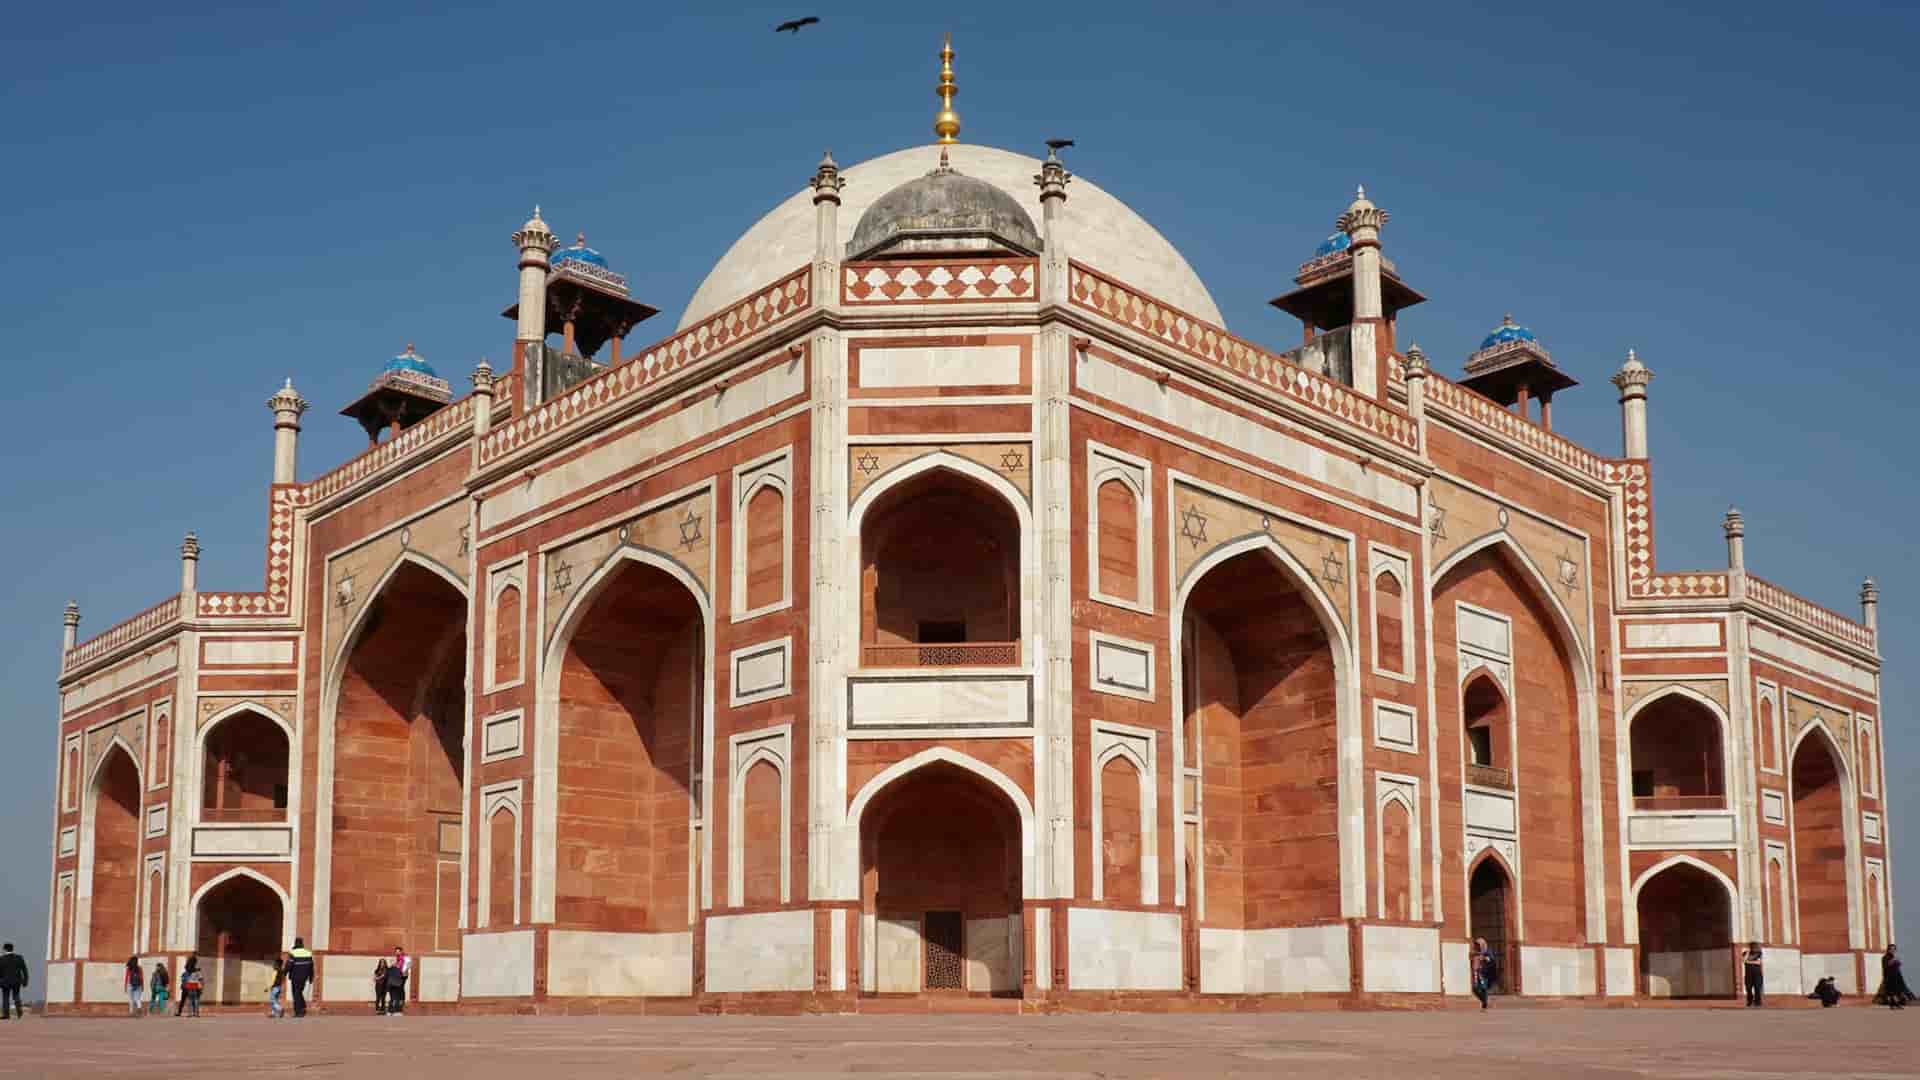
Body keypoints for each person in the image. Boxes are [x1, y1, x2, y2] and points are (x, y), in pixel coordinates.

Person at [1874, 944, 1911, 1009]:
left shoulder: (1894, 957)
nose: (1893, 950)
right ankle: (1894, 1004)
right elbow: (1886, 966)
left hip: (1897, 976)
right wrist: (1893, 960)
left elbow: (1898, 965)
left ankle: (1894, 1004)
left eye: (1894, 949)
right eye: (1891, 949)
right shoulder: (1885, 957)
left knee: (1897, 990)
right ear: (1888, 950)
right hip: (1889, 976)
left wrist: (1898, 962)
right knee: (1891, 991)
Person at [286, 938, 315, 1018]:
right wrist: (311, 977)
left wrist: (284, 973)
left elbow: (289, 965)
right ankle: (302, 1006)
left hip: (295, 977)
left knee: (296, 994)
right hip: (304, 977)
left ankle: (298, 1012)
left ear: (295, 944)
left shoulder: (293, 953)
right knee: (299, 992)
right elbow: (311, 966)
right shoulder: (308, 953)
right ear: (302, 944)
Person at [0, 943, 29, 1020]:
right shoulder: (19, 958)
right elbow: (24, 970)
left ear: (4, 949)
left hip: (5, 982)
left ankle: (6, 1015)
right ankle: (20, 1013)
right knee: (16, 996)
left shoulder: (1, 959)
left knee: (5, 998)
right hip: (17, 981)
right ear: (12, 949)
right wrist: (25, 981)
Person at [1470, 937, 1496, 1010]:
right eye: (1476, 945)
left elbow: (1491, 960)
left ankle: (1485, 1005)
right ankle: (1485, 1002)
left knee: (1483, 988)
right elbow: (1471, 957)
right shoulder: (1475, 951)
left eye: (1478, 945)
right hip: (1476, 972)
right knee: (1475, 988)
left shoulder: (1487, 951)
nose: (1477, 946)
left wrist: (1484, 958)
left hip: (1485, 972)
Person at [384, 946, 409, 1015]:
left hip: (399, 981)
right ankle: (390, 1011)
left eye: (398, 951)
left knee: (398, 996)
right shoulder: (391, 966)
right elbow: (387, 975)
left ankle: (398, 1011)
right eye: (396, 951)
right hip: (392, 983)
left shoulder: (405, 959)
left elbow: (405, 971)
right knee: (392, 997)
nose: (397, 953)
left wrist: (403, 972)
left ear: (401, 952)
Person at [1742, 941, 1764, 1007]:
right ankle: (1750, 1001)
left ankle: (1758, 1002)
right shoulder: (1745, 953)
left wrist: (1748, 961)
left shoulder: (1759, 953)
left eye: (1755, 947)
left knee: (1757, 988)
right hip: (1748, 974)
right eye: (1752, 947)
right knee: (1748, 988)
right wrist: (1748, 952)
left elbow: (1759, 962)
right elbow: (1744, 960)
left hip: (1757, 974)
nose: (1754, 948)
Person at [268, 953, 286, 1019]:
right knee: (275, 1000)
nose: (273, 965)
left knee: (272, 1000)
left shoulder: (276, 971)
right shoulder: (282, 971)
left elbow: (273, 980)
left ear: (276, 964)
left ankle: (280, 1009)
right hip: (279, 987)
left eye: (274, 963)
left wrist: (268, 987)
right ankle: (274, 1013)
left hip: (275, 987)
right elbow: (283, 979)